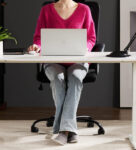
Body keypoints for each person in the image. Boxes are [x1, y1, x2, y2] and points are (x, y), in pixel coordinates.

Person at [27, 0, 96, 145]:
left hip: (77, 60)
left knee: (76, 78)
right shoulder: (46, 10)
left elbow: (91, 38)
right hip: (53, 60)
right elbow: (38, 37)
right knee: (58, 79)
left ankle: (63, 131)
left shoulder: (84, 9)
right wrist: (36, 46)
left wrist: (86, 48)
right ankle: (70, 131)